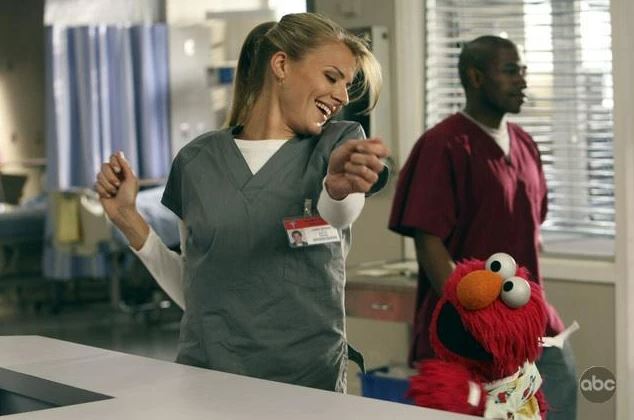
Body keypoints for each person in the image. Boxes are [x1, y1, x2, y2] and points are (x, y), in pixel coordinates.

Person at [95, 13, 389, 393]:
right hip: (209, 378)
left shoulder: (337, 144)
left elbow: (338, 215)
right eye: (332, 77)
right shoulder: (197, 160)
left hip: (308, 385)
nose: (343, 97)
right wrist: (126, 217)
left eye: (347, 85)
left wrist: (336, 189)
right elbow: (197, 291)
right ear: (281, 64)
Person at [388, 36, 577, 419]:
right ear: (475, 77)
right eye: (510, 71)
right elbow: (429, 243)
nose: (522, 80)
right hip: (472, 339)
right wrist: (475, 323)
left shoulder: (524, 144)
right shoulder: (443, 145)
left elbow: (528, 232)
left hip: (529, 327)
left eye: (522, 70)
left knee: (559, 392)